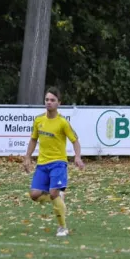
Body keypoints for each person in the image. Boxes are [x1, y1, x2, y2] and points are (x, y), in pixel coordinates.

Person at [23, 87, 85, 237]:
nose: (49, 102)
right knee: (34, 195)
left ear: (59, 103)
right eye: (47, 100)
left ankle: (62, 227)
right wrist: (27, 157)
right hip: (42, 164)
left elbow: (75, 141)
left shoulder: (63, 122)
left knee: (53, 193)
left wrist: (77, 157)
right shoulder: (39, 120)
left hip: (58, 163)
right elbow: (33, 139)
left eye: (52, 100)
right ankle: (57, 197)